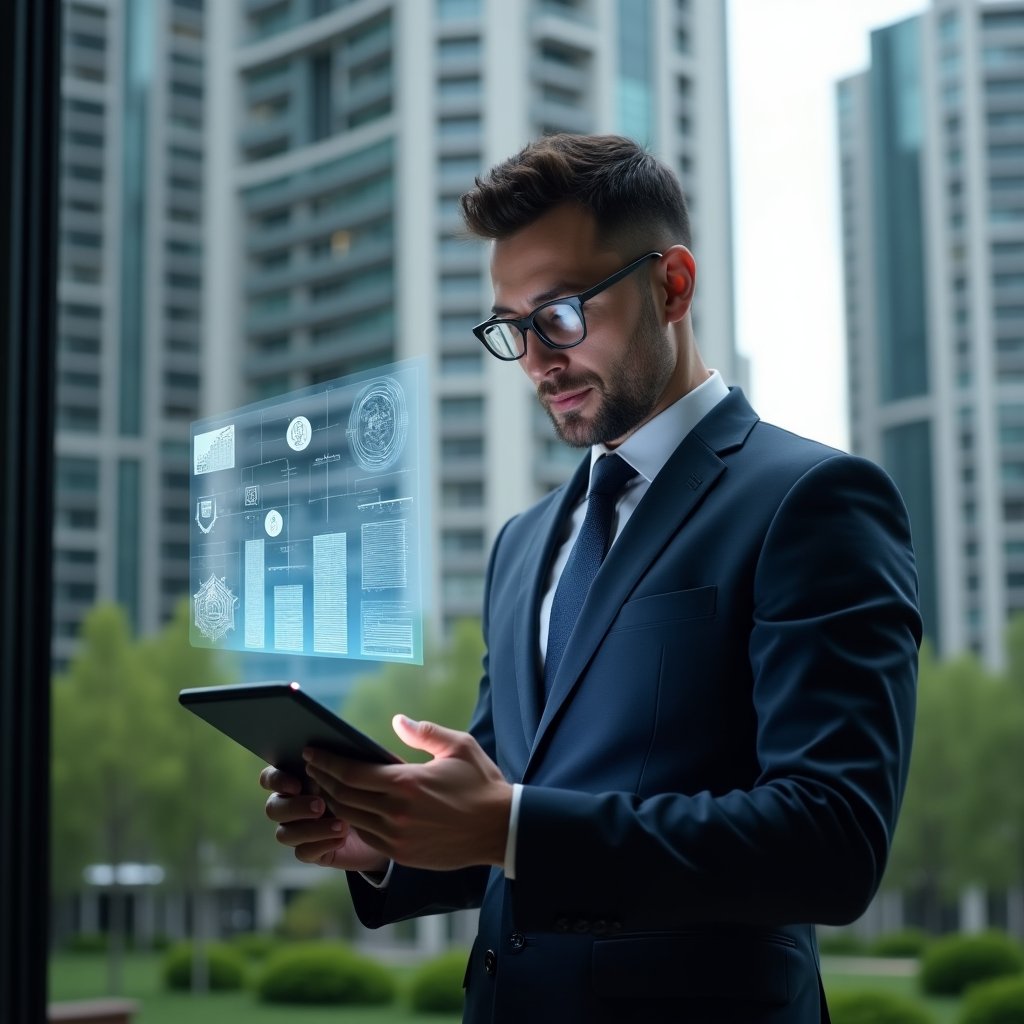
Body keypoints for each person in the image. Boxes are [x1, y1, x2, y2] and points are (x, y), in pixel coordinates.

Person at [261, 133, 921, 1023]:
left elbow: (830, 842)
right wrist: (389, 839)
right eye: (512, 328)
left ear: (672, 285)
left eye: (562, 314)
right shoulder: (524, 542)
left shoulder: (814, 500)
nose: (536, 359)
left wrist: (507, 826)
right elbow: (514, 797)